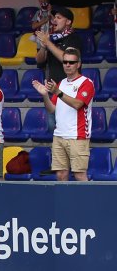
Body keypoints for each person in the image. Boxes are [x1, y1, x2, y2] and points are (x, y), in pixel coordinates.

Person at [32, 47, 94, 182]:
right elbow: (52, 109)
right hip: (59, 135)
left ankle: (86, 203)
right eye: (65, 62)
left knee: (79, 175)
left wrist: (57, 92)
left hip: (78, 136)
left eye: (71, 62)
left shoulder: (86, 83)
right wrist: (45, 96)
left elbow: (78, 104)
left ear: (79, 64)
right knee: (60, 175)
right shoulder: (61, 83)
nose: (67, 65)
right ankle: (65, 203)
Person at [35, 6, 82, 83]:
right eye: (54, 18)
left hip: (70, 86)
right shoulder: (52, 38)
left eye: (58, 18)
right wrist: (43, 46)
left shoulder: (74, 38)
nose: (54, 20)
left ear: (68, 22)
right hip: (53, 87)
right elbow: (39, 61)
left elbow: (68, 60)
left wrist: (47, 43)